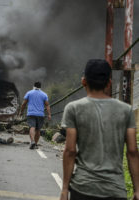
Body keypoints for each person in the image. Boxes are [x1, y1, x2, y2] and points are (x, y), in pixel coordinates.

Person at [60, 59, 139, 200]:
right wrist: (137, 190)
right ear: (109, 83)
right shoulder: (126, 110)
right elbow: (132, 152)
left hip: (83, 188)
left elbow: (70, 151)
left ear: (83, 81)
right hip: (115, 190)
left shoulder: (73, 108)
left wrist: (65, 189)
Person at [19, 81, 51, 149]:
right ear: (40, 87)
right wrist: (49, 114)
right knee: (38, 129)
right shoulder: (44, 94)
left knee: (32, 127)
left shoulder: (29, 93)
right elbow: (47, 105)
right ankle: (35, 144)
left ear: (34, 86)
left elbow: (24, 104)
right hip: (40, 114)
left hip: (31, 113)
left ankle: (32, 141)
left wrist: (21, 112)